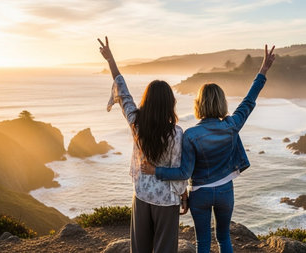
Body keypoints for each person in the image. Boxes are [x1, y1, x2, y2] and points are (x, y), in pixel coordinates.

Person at [142, 44, 276, 253]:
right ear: (221, 102)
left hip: (200, 194)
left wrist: (155, 171)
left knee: (203, 242)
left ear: (198, 104)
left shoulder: (191, 135)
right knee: (223, 237)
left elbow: (184, 173)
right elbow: (248, 101)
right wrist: (263, 71)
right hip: (225, 192)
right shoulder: (232, 125)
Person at [98, 36, 188, 253]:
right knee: (165, 249)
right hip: (166, 200)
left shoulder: (136, 124)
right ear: (170, 103)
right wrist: (183, 193)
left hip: (142, 195)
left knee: (140, 248)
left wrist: (111, 60)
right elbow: (178, 170)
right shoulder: (176, 133)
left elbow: (124, 93)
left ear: (146, 100)